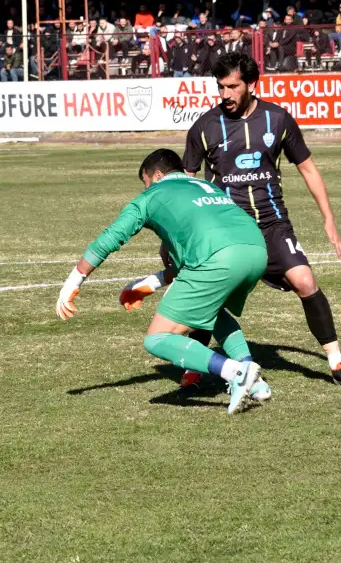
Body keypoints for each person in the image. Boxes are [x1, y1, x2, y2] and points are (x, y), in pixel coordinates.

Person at [124, 53, 341, 388]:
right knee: (209, 293)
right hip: (225, 229)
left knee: (306, 281)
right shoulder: (204, 127)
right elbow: (183, 186)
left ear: (252, 84)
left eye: (233, 86)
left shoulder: (278, 119)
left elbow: (307, 168)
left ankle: (337, 361)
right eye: (221, 87)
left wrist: (329, 219)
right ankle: (197, 364)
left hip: (271, 223)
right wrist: (171, 241)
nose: (225, 94)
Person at [55, 149, 272, 415]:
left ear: (156, 176)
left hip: (218, 258)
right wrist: (150, 283)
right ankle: (256, 382)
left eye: (145, 182)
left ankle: (236, 372)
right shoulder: (205, 186)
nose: (145, 189)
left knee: (157, 338)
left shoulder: (152, 196)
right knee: (213, 312)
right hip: (257, 250)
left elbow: (110, 237)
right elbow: (187, 264)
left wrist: (73, 281)